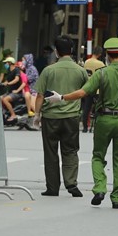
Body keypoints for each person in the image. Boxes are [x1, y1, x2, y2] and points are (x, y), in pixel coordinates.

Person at [46, 37, 118, 209]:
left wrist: (62, 97)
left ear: (108, 56)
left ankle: (100, 188)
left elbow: (82, 93)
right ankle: (117, 198)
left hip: (104, 120)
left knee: (98, 156)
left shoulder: (102, 73)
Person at [33, 36, 89, 198]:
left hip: (50, 117)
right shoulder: (80, 71)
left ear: (56, 52)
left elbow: (40, 95)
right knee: (70, 150)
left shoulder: (49, 70)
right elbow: (86, 91)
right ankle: (72, 184)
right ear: (71, 51)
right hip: (71, 117)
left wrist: (37, 115)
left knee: (50, 152)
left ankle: (52, 187)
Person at [82, 46, 105, 132]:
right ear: (99, 54)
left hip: (88, 88)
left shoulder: (86, 62)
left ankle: (85, 127)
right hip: (98, 89)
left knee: (86, 109)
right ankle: (95, 127)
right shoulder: (101, 64)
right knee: (97, 109)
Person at [1, 57, 27, 122]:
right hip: (10, 91)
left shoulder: (16, 70)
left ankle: (13, 115)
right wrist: (1, 84)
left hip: (17, 93)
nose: (6, 64)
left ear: (10, 63)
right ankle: (4, 113)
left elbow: (16, 79)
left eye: (6, 63)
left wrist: (9, 83)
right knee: (0, 98)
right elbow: (7, 80)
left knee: (5, 99)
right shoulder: (9, 70)